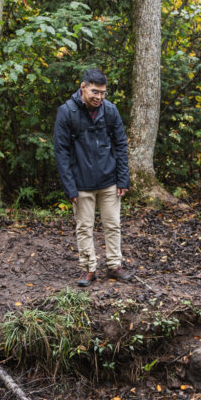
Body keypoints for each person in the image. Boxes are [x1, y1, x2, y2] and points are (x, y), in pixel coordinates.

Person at [54, 68, 132, 286]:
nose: (99, 97)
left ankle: (114, 265)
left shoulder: (110, 110)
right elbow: (61, 152)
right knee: (84, 227)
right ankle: (88, 269)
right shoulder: (67, 112)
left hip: (109, 181)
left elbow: (120, 145)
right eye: (95, 92)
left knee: (113, 225)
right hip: (81, 183)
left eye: (103, 92)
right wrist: (69, 187)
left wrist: (122, 179)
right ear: (83, 87)